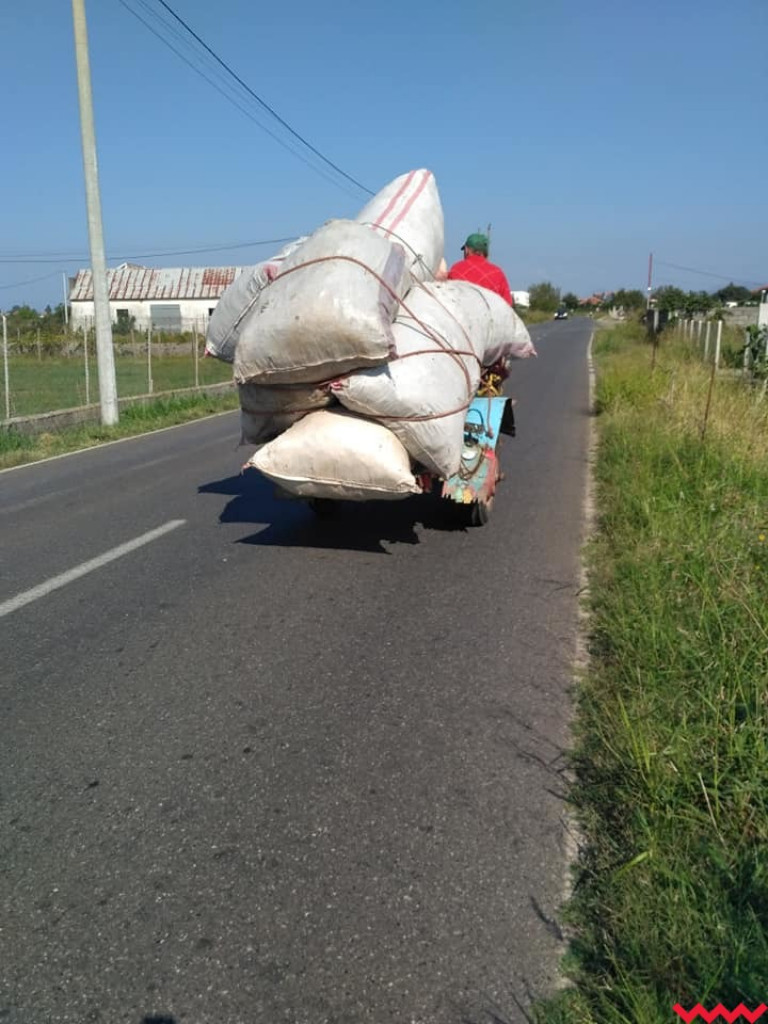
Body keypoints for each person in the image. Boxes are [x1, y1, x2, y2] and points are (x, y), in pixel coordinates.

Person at [445, 233, 514, 306]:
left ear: (467, 250)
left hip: (460, 315)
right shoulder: (498, 273)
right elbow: (507, 303)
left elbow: (447, 298)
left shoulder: (456, 269)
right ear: (485, 252)